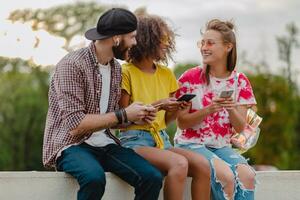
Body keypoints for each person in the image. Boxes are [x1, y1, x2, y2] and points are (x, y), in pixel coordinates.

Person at [42, 8, 163, 200]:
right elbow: (75, 125)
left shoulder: (115, 68)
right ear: (116, 38)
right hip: (71, 145)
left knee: (152, 177)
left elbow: (108, 119)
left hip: (104, 143)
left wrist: (135, 116)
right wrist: (123, 114)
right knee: (94, 178)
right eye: (131, 37)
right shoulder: (72, 65)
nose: (135, 42)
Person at [119, 14, 211, 200]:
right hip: (134, 141)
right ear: (147, 40)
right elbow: (122, 120)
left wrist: (176, 109)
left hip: (162, 140)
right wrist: (159, 104)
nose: (167, 44)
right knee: (179, 164)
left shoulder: (166, 74)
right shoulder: (125, 72)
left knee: (202, 165)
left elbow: (167, 120)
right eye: (163, 39)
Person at [175, 19, 257, 200]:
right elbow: (181, 123)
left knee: (248, 175)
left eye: (210, 43)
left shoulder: (240, 81)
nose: (204, 47)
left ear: (228, 47)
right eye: (202, 43)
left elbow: (240, 128)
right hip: (190, 144)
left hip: (221, 147)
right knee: (225, 177)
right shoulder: (190, 78)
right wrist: (209, 110)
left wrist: (231, 109)